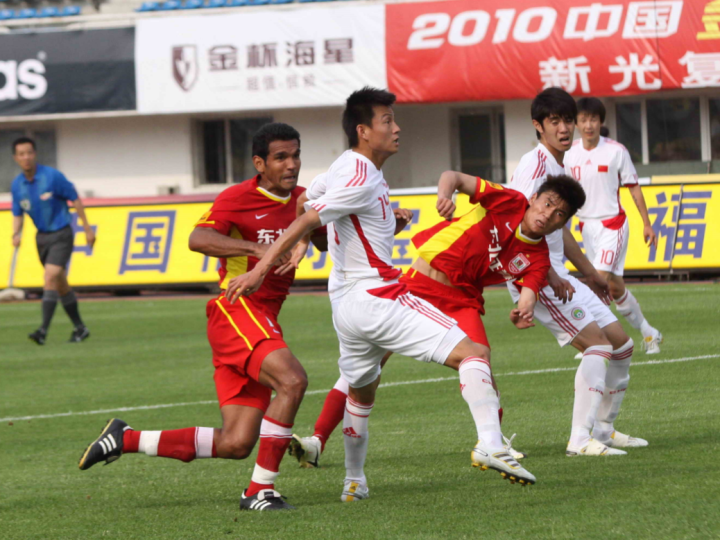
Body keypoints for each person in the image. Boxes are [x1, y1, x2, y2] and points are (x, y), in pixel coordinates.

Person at [226, 87, 537, 503]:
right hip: (378, 295)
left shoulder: (343, 166)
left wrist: (365, 227)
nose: (396, 128)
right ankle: (491, 445)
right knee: (474, 354)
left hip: (346, 306)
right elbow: (308, 218)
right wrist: (260, 270)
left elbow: (305, 201)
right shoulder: (362, 177)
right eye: (387, 121)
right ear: (363, 130)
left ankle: (354, 482)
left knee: (361, 392)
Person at [78, 123, 327, 512]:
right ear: (259, 163)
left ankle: (125, 439)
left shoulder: (304, 198)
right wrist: (259, 250)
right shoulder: (237, 197)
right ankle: (259, 491)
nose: (291, 164)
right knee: (292, 381)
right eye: (281, 157)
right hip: (237, 310)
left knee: (236, 442)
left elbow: (324, 239)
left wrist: (312, 232)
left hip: (262, 320)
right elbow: (197, 239)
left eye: (295, 155)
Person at [287, 174, 587, 470]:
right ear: (533, 199)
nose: (548, 214)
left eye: (559, 214)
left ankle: (493, 443)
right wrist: (445, 196)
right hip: (419, 283)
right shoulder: (510, 201)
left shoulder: (539, 257)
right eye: (547, 203)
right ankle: (317, 441)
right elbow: (452, 176)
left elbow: (528, 296)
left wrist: (523, 311)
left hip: (462, 299)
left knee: (480, 361)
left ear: (563, 224)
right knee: (367, 366)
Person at [508, 88, 647, 457]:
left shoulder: (559, 165)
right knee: (598, 346)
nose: (564, 128)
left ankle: (603, 430)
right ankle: (580, 439)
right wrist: (548, 276)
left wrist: (592, 274)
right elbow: (518, 222)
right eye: (554, 121)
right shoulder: (535, 166)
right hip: (537, 276)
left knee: (621, 346)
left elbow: (560, 230)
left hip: (560, 274)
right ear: (538, 126)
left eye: (568, 120)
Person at [565, 97, 662, 353]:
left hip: (613, 225)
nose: (589, 125)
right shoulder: (569, 153)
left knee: (597, 281)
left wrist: (647, 224)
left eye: (593, 119)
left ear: (601, 121)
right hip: (586, 227)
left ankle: (596, 344)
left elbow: (634, 188)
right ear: (576, 123)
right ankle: (649, 333)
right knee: (615, 288)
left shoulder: (616, 151)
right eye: (584, 120)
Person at [10, 137, 94, 344]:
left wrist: (87, 228)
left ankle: (42, 331)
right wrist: (15, 233)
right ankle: (80, 328)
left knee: (49, 277)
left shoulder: (52, 177)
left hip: (61, 234)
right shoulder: (17, 185)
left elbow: (75, 198)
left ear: (35, 154)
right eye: (21, 154)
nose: (26, 157)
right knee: (60, 284)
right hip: (41, 237)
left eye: (29, 153)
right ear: (16, 158)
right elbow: (18, 213)